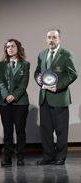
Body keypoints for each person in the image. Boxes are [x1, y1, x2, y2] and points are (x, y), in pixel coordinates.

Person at [35, 29, 77, 165]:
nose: (51, 40)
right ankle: (48, 156)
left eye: (54, 37)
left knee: (61, 130)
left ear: (59, 39)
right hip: (44, 97)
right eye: (49, 37)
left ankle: (60, 157)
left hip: (59, 96)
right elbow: (37, 72)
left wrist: (58, 86)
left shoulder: (66, 54)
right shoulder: (42, 54)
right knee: (46, 130)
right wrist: (38, 79)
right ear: (46, 39)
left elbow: (73, 74)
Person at [0, 39, 30, 166]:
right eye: (7, 46)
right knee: (7, 130)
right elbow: (0, 81)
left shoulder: (25, 64)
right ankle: (7, 157)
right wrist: (6, 96)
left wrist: (14, 96)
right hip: (5, 102)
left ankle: (20, 157)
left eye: (12, 46)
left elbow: (23, 84)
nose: (9, 48)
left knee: (20, 130)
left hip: (20, 102)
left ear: (18, 48)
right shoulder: (2, 64)